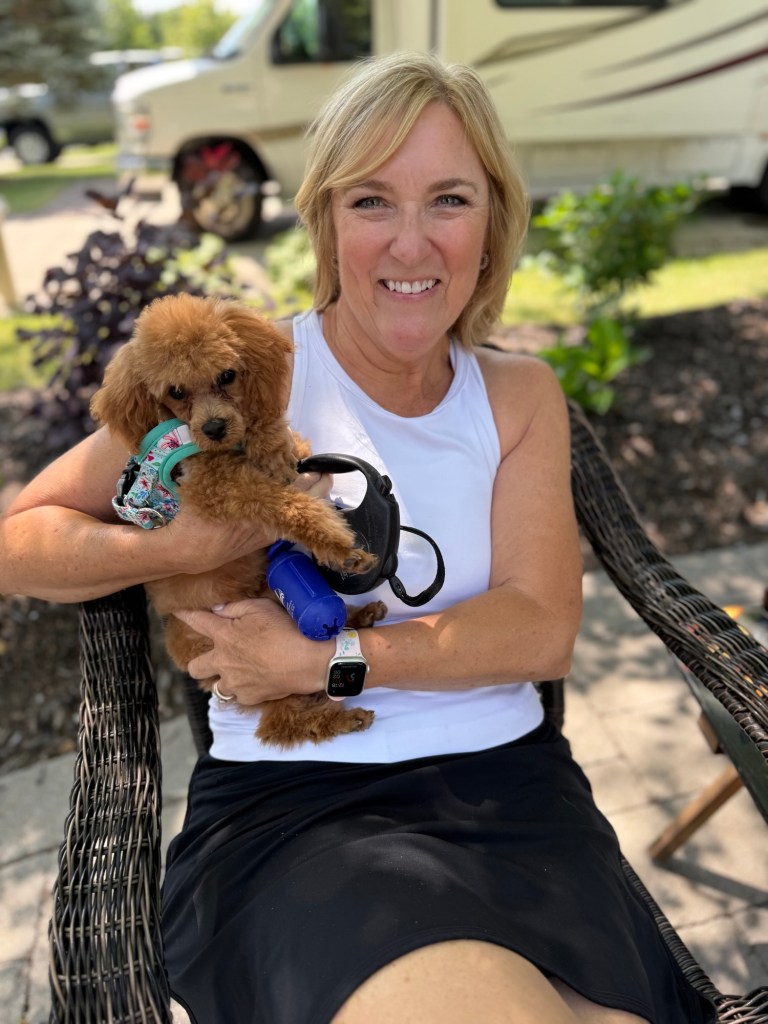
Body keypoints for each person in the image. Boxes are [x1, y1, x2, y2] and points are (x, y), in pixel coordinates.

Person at [0, 52, 714, 1024]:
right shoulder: (253, 372)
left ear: (494, 221)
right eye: (372, 200)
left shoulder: (518, 396)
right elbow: (20, 538)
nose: (411, 243)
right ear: (326, 220)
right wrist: (174, 549)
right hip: (305, 815)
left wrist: (324, 660)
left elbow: (541, 629)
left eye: (449, 199)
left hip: (516, 797)